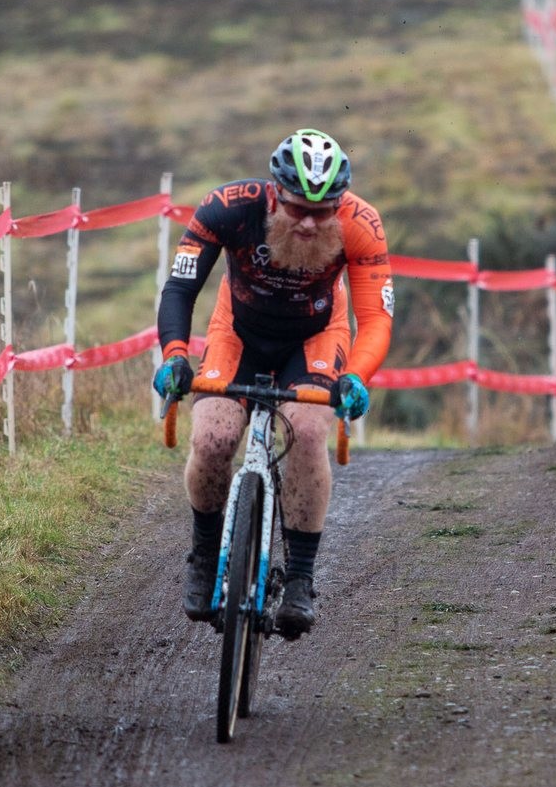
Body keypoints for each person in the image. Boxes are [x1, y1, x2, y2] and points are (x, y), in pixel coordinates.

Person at [152, 129, 394, 640]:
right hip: (237, 330)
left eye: (323, 211)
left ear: (340, 204)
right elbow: (180, 287)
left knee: (307, 432)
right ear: (274, 193)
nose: (309, 221)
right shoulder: (226, 208)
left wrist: (355, 378)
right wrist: (175, 356)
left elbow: (375, 320)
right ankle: (203, 554)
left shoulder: (362, 225)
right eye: (297, 207)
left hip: (315, 336)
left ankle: (301, 579)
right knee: (213, 437)